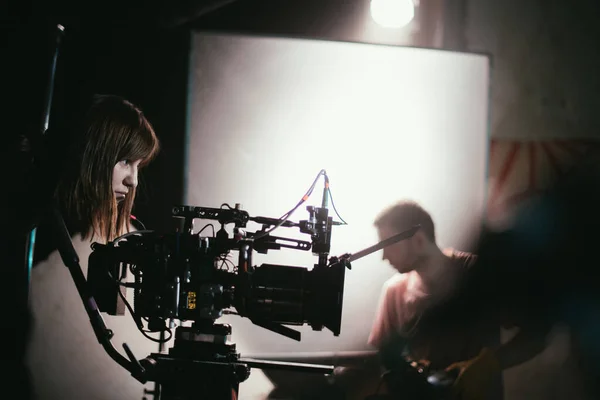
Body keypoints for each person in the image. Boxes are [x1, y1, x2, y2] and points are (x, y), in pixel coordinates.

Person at [25, 94, 160, 400]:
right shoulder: (28, 219)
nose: (134, 180)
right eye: (125, 160)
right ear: (94, 152)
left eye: (138, 165)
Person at [366, 200, 505, 400]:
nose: (384, 256)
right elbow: (381, 359)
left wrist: (490, 363)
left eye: (388, 245)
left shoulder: (476, 274)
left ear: (419, 240)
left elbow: (537, 331)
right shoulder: (393, 292)